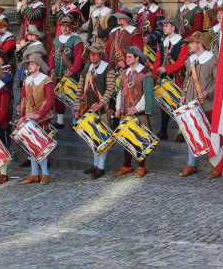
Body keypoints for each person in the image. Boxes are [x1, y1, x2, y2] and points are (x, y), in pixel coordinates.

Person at [113, 45, 155, 177]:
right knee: (127, 139)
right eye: (127, 57)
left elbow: (148, 95)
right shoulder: (124, 73)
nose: (127, 59)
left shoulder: (145, 73)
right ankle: (127, 165)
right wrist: (118, 107)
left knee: (139, 138)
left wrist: (137, 108)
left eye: (130, 57)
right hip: (125, 112)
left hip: (139, 113)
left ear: (137, 58)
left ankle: (141, 166)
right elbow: (120, 92)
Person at [178, 31, 216, 177]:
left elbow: (217, 81)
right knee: (190, 133)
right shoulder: (190, 61)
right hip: (190, 101)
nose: (189, 46)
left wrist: (209, 93)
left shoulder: (213, 60)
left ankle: (216, 164)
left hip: (207, 103)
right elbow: (187, 79)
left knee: (212, 134)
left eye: (191, 43)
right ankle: (191, 164)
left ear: (199, 44)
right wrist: (183, 94)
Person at [77, 42, 117, 178]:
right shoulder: (86, 70)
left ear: (100, 55)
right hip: (88, 108)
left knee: (102, 138)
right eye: (91, 54)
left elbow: (110, 89)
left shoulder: (108, 69)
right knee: (92, 137)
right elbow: (79, 90)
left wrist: (100, 104)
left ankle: (101, 166)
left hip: (104, 109)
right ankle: (95, 164)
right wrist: (77, 108)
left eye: (95, 54)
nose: (92, 56)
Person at [18, 43, 55, 184]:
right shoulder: (26, 81)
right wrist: (22, 116)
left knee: (41, 147)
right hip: (28, 118)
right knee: (30, 146)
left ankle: (45, 173)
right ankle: (34, 174)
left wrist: (38, 114)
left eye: (32, 64)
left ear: (38, 66)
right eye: (29, 64)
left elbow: (49, 102)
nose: (29, 66)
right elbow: (23, 101)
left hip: (42, 118)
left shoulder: (46, 80)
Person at [50, 13, 85, 129]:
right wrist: (52, 69)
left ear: (71, 27)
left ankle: (75, 122)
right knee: (59, 98)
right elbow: (52, 56)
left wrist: (73, 70)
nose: (65, 28)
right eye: (63, 25)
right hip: (58, 74)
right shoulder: (56, 40)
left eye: (67, 26)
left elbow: (79, 58)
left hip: (71, 75)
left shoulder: (76, 40)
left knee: (73, 98)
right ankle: (60, 121)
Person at [154, 17, 186, 140]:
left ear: (173, 27)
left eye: (166, 26)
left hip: (178, 77)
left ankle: (181, 130)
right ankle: (163, 130)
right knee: (164, 104)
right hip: (164, 78)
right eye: (163, 26)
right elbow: (157, 61)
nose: (164, 28)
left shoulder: (182, 43)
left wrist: (166, 69)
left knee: (180, 103)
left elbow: (182, 62)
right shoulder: (162, 44)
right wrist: (154, 75)